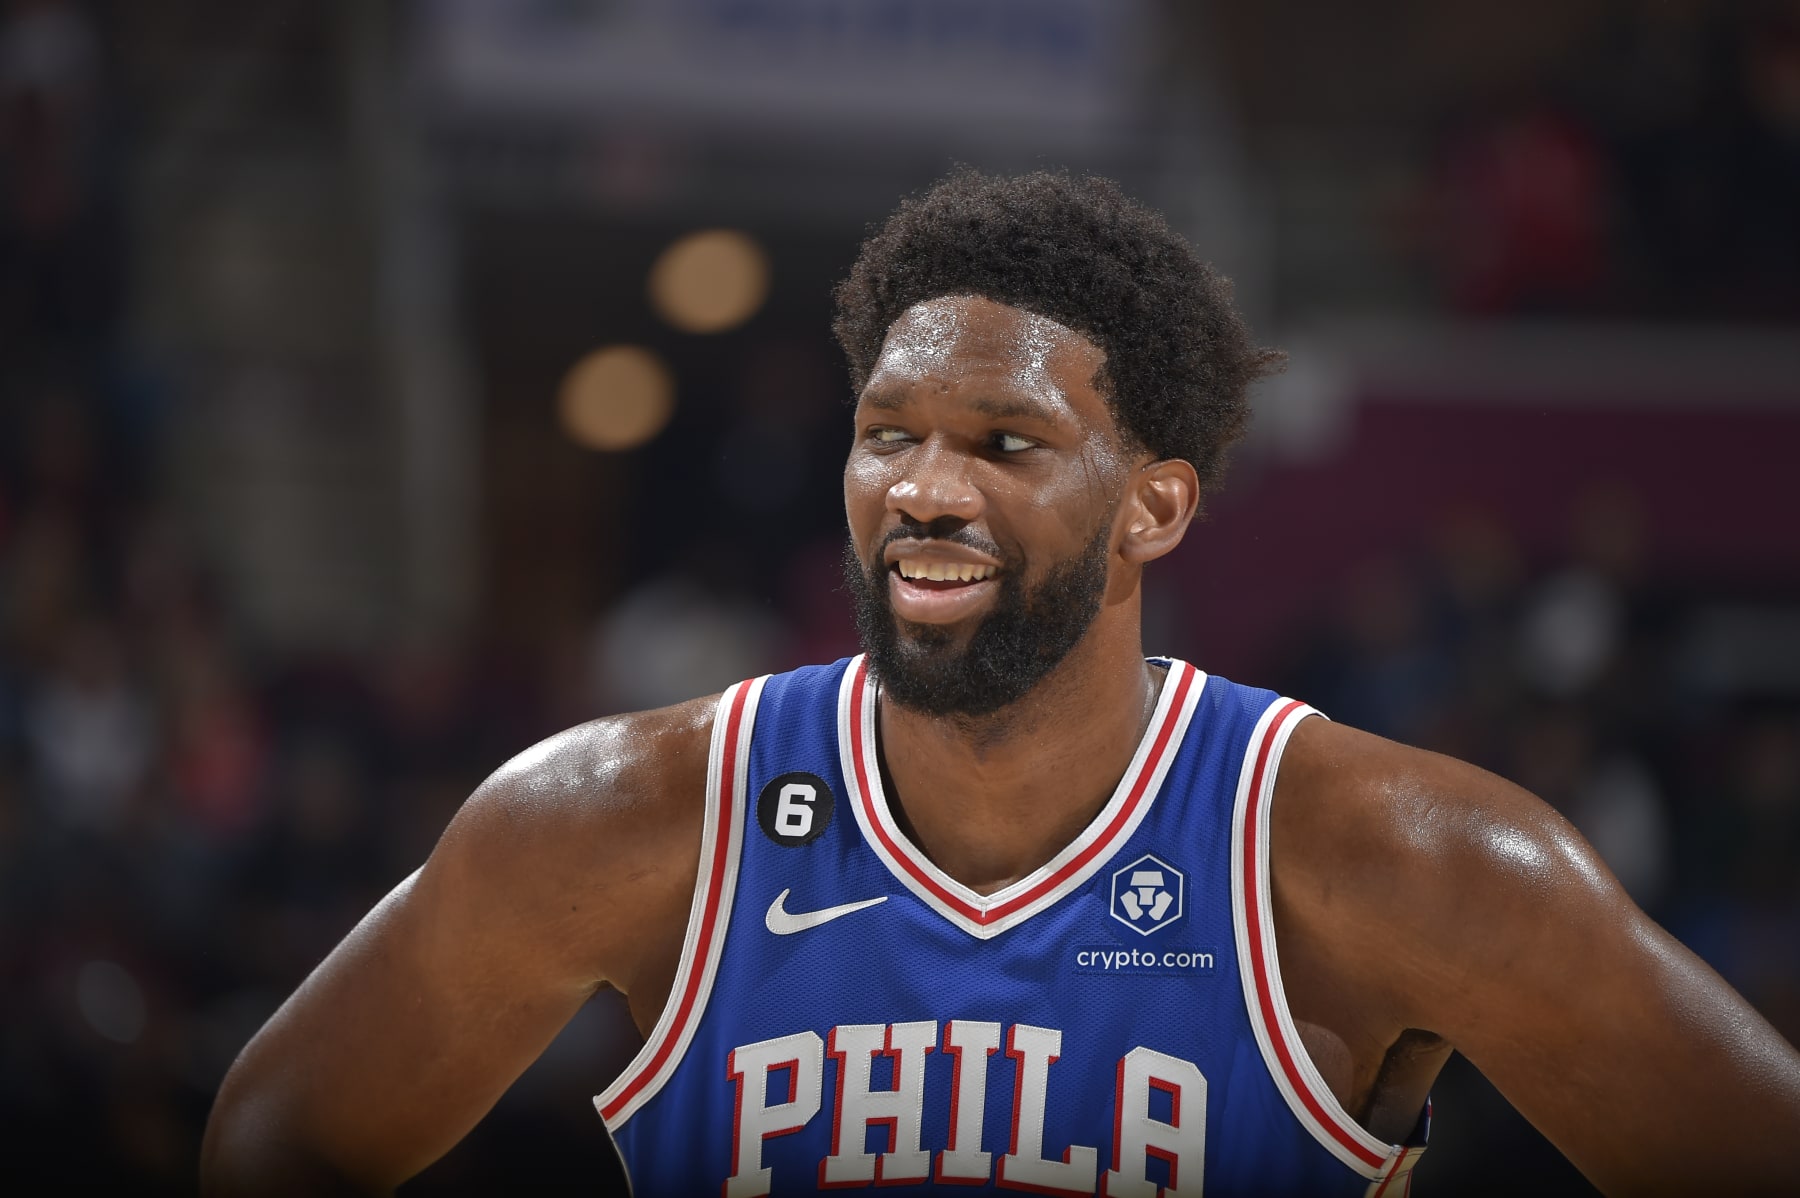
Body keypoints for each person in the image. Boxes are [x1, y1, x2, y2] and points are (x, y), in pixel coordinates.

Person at [200, 171, 1800, 1196]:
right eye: (890, 431)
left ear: (1155, 504)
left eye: (1006, 444)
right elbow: (281, 1139)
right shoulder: (629, 817)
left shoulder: (1392, 856)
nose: (923, 489)